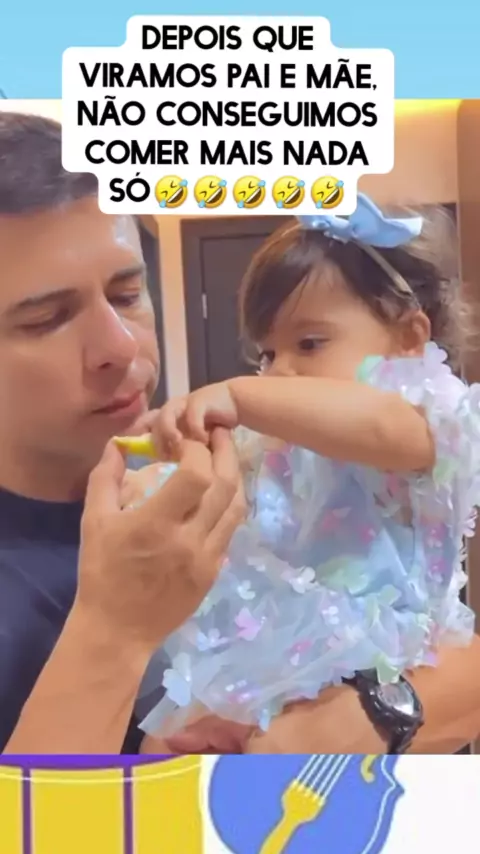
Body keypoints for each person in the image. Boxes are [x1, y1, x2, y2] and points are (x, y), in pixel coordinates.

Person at [0, 112, 479, 756]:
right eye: (46, 319)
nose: (121, 347)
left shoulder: (411, 422)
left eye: (128, 293)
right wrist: (114, 633)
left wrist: (376, 716)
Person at [124, 197, 480, 753]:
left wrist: (239, 395)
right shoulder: (283, 441)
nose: (279, 372)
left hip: (380, 661)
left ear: (410, 338)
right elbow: (227, 484)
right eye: (267, 354)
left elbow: (378, 425)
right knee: (161, 745)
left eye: (310, 343)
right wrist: (167, 468)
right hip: (274, 651)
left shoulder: (429, 422)